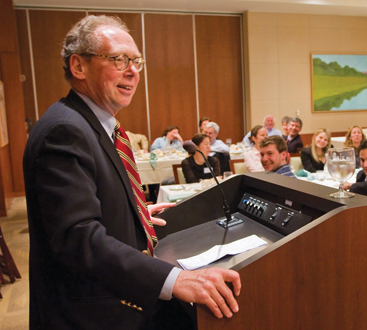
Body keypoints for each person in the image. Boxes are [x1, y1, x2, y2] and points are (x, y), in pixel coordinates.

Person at [23, 15, 240, 330]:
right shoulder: (64, 130)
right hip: (89, 317)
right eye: (119, 59)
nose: (133, 70)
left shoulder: (95, 126)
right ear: (78, 66)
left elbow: (83, 203)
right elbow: (76, 237)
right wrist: (174, 278)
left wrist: (128, 212)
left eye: (137, 61)